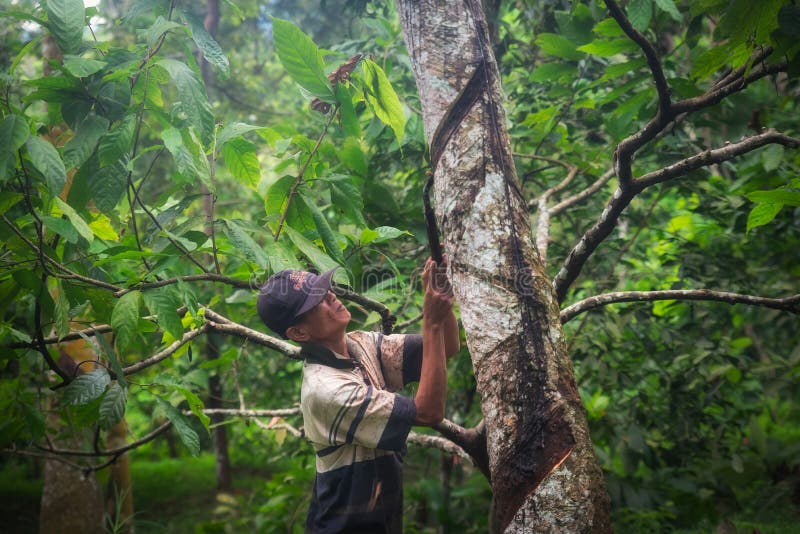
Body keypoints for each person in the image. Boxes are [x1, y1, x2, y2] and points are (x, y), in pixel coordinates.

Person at [256, 258, 459, 533]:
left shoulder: (360, 344)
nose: (331, 295)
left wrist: (439, 297)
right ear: (298, 332)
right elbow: (428, 412)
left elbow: (445, 346)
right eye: (318, 301)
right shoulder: (326, 390)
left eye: (325, 289)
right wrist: (431, 322)